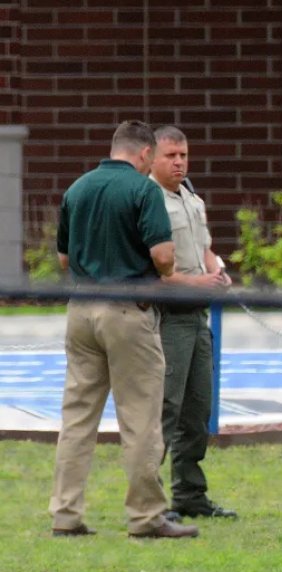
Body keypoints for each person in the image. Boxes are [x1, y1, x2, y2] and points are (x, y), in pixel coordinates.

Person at [50, 120, 198, 539]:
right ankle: (146, 516)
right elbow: (164, 258)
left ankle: (65, 514)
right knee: (140, 418)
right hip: (128, 312)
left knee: (77, 417)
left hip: (81, 310)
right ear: (146, 153)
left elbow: (63, 260)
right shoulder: (143, 190)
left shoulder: (77, 188)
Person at [148, 125, 236, 520]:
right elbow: (152, 270)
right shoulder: (148, 201)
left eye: (183, 154)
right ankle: (150, 501)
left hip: (198, 317)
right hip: (168, 319)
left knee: (198, 410)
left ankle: (189, 493)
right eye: (170, 155)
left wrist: (218, 272)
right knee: (165, 408)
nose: (179, 162)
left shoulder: (191, 198)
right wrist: (198, 282)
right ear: (151, 157)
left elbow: (205, 250)